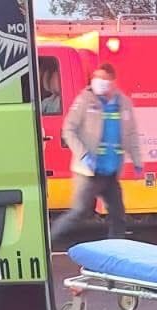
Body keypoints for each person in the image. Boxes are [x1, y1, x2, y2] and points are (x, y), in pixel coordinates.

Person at [49, 64, 143, 245]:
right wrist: (83, 155)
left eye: (103, 78)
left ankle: (116, 249)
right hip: (88, 172)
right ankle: (48, 240)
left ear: (112, 81)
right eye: (96, 78)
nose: (98, 82)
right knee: (79, 212)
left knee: (118, 215)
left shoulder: (123, 103)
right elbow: (68, 130)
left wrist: (138, 161)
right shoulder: (85, 100)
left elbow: (131, 134)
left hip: (110, 172)